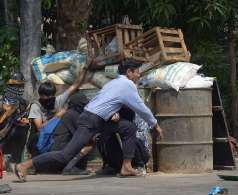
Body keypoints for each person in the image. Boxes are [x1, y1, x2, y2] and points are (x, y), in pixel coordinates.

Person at [15, 59, 163, 181]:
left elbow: (104, 102)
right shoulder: (127, 84)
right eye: (137, 72)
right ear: (129, 73)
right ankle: (25, 165)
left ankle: (126, 166)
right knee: (65, 155)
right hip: (91, 121)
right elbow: (140, 107)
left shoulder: (113, 83)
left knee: (128, 127)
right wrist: (154, 124)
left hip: (97, 120)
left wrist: (112, 114)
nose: (138, 75)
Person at [26, 68, 88, 157]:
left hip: (56, 135)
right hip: (42, 138)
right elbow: (40, 128)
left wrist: (85, 69)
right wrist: (57, 116)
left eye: (51, 96)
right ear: (41, 95)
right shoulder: (36, 106)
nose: (49, 99)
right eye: (46, 97)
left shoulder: (57, 100)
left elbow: (74, 86)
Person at [0, 72, 29, 166]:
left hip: (14, 135)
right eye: (16, 86)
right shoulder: (1, 102)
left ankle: (15, 160)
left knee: (21, 130)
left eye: (21, 86)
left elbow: (24, 119)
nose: (19, 88)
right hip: (2, 136)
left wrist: (23, 121)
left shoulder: (23, 103)